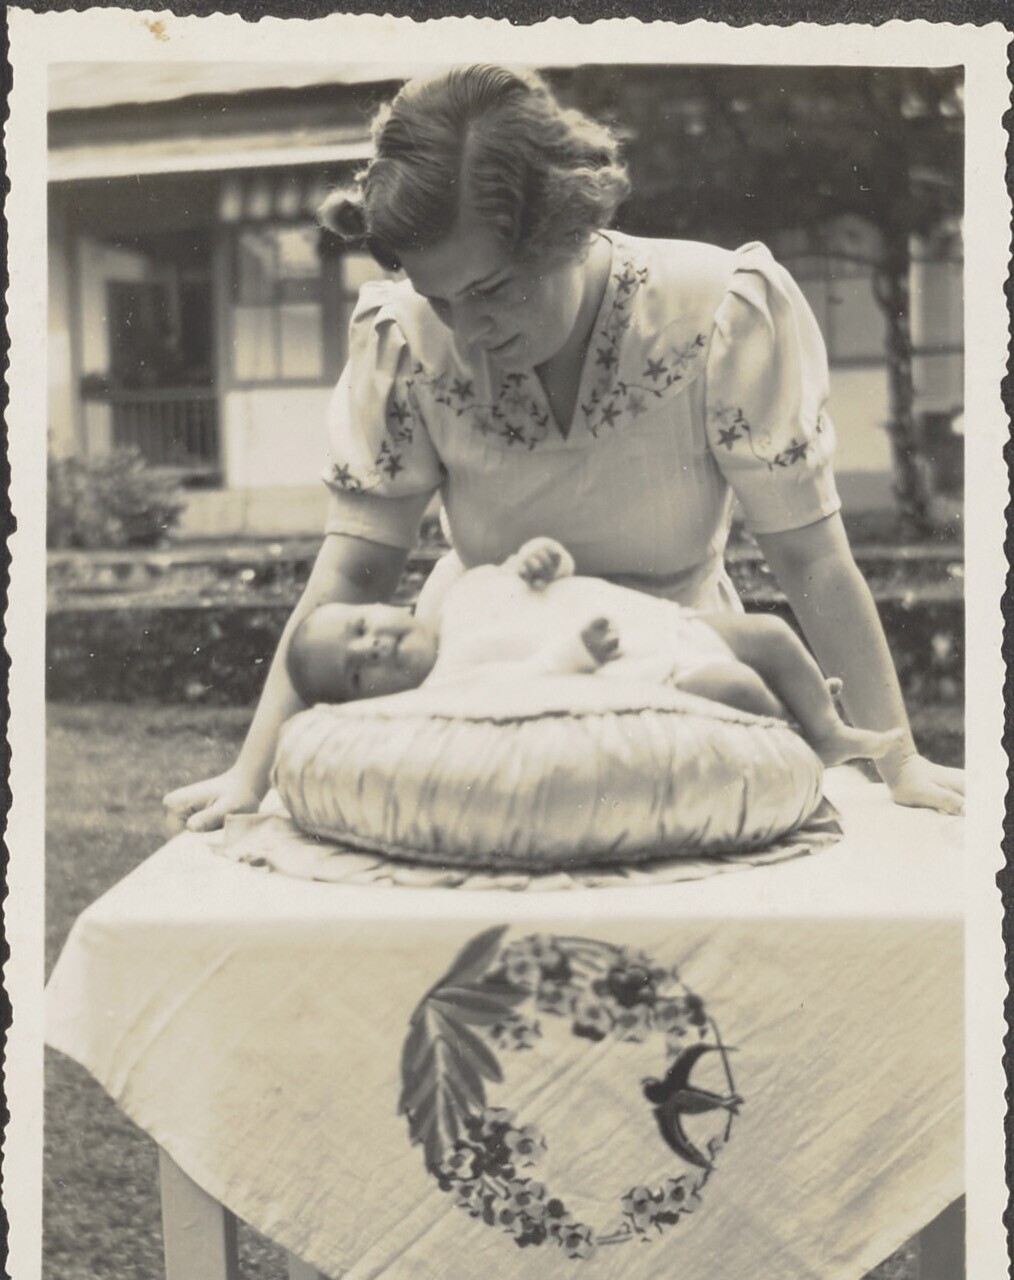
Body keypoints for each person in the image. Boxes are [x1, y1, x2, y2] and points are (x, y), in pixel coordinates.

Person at [164, 64, 964, 830]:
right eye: (439, 299)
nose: (468, 333)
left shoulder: (719, 310)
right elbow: (351, 574)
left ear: (567, 228)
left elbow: (811, 559)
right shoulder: (402, 340)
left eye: (490, 291)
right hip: (488, 688)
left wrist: (901, 764)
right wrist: (249, 777)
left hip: (683, 673)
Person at [285, 536, 905, 770]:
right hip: (638, 672)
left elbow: (531, 578)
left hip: (662, 624)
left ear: (385, 607)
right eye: (357, 671)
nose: (372, 647)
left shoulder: (462, 594)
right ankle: (792, 755)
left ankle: (825, 731)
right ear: (366, 704)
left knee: (768, 633)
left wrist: (544, 557)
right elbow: (521, 688)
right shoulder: (446, 693)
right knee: (736, 688)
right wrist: (573, 655)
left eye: (361, 627)